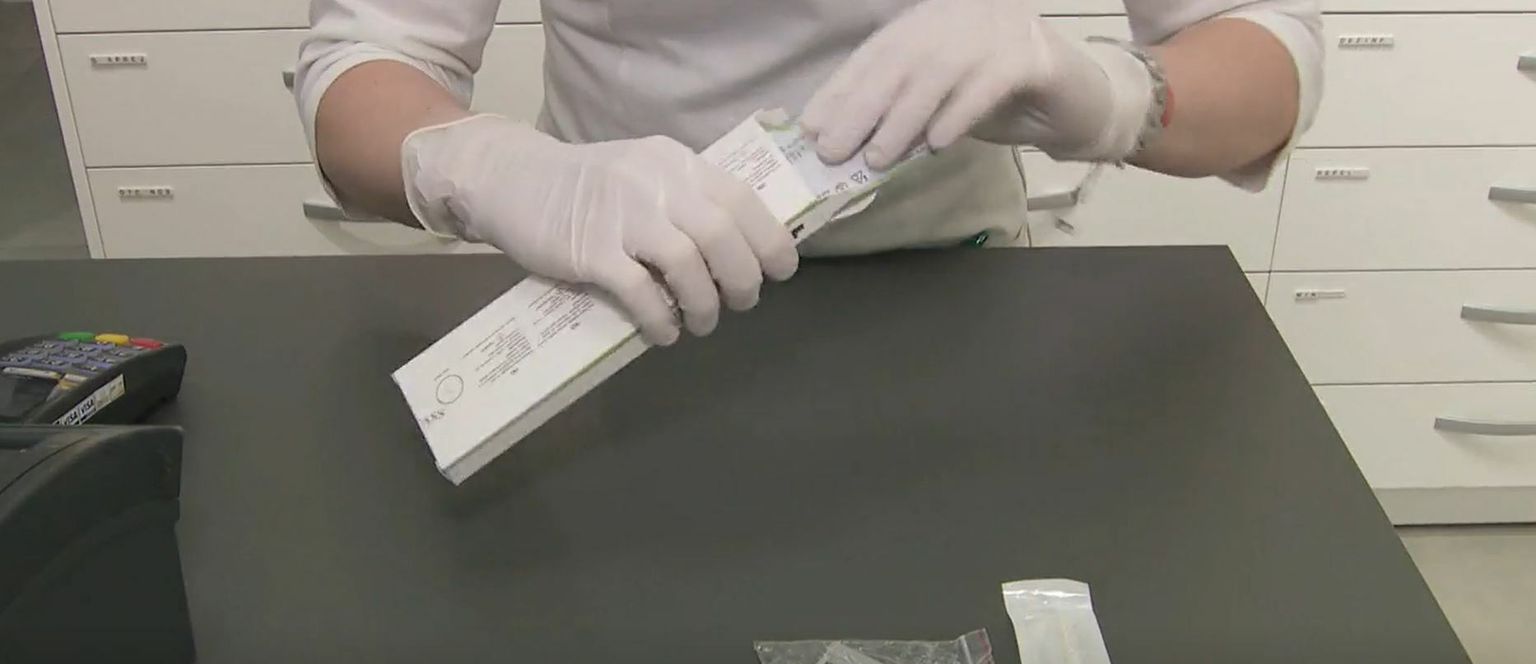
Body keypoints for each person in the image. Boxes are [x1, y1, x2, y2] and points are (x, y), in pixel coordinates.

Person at [296, 0, 1322, 346]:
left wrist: (1113, 95)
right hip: (618, 293)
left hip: (951, 294)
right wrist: (496, 171)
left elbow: (1263, 52)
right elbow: (370, 57)